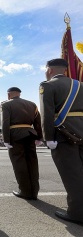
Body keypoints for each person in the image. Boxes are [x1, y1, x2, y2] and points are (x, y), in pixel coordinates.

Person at [40, 58, 83, 225]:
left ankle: (77, 213)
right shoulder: (80, 85)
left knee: (72, 176)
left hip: (64, 136)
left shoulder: (48, 85)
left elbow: (47, 114)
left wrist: (48, 138)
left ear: (49, 70)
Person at [1, 87, 43, 200]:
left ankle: (25, 191)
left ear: (9, 95)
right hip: (30, 134)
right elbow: (38, 122)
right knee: (32, 162)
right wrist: (40, 137)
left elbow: (5, 123)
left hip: (15, 135)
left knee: (19, 163)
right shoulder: (32, 104)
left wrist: (6, 139)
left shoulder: (6, 105)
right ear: (19, 94)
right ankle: (34, 191)